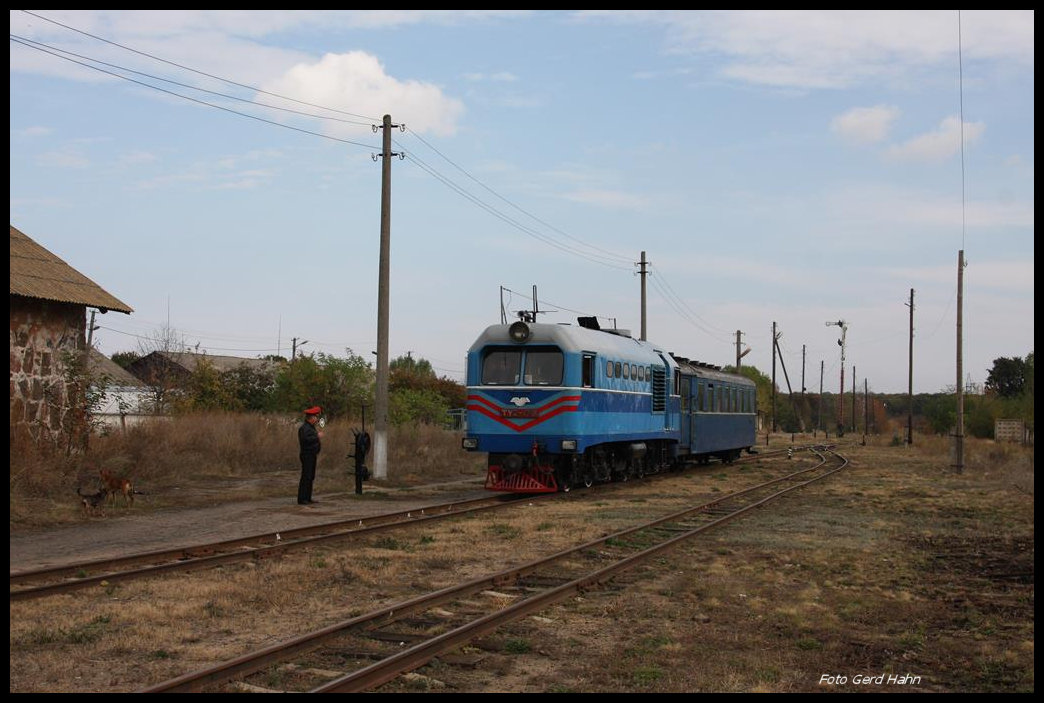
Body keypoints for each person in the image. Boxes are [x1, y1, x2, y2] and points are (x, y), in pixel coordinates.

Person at [297, 406, 323, 505]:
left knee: (310, 476)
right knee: (306, 476)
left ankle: (308, 497)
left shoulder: (311, 428)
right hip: (307, 455)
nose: (316, 419)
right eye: (315, 417)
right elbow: (305, 440)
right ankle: (302, 498)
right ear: (311, 418)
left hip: (312, 455)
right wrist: (317, 436)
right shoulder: (304, 428)